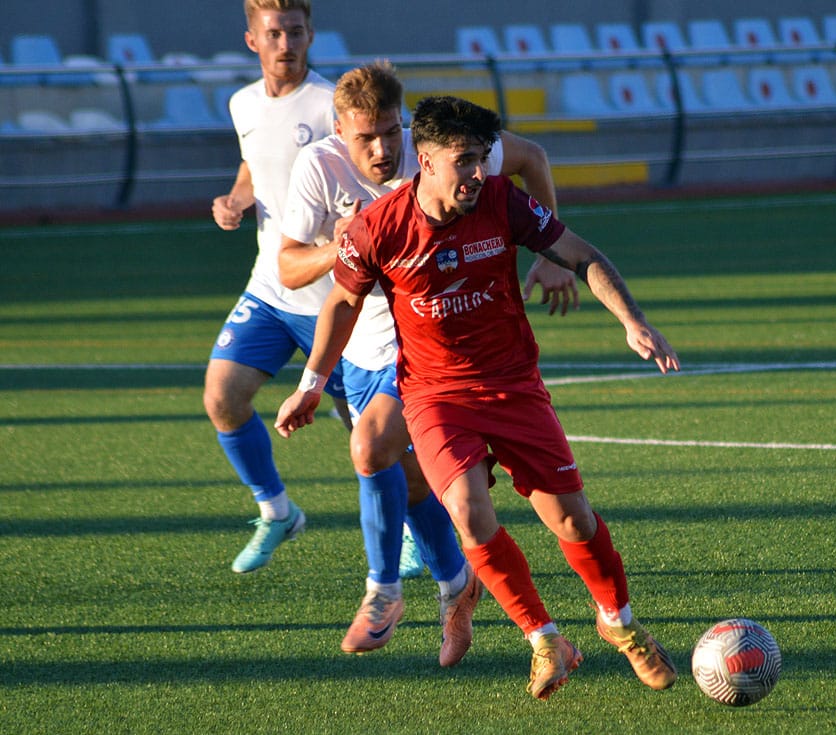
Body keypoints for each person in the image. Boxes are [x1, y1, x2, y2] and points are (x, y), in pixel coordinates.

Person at [274, 95, 679, 700]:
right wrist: (309, 385)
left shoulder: (501, 200)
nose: (476, 173)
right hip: (434, 395)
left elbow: (582, 255)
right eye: (463, 161)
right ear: (425, 160)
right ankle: (544, 639)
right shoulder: (378, 227)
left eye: (482, 159)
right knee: (466, 509)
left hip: (514, 385)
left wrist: (632, 320)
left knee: (572, 519)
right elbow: (342, 302)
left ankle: (619, 624)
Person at [277, 62, 577, 661]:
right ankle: (456, 584)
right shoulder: (319, 167)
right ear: (340, 131)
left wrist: (549, 255)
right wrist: (342, 245)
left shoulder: (445, 154)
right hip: (362, 346)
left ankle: (383, 590)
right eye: (367, 137)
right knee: (411, 479)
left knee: (371, 447)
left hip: (431, 350)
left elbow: (532, 157)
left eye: (392, 132)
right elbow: (288, 267)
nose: (383, 148)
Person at [205, 0, 372, 574]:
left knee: (366, 433)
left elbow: (371, 169)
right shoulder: (242, 103)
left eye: (295, 32)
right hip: (271, 288)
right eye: (274, 33)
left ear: (311, 35)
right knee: (222, 397)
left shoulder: (330, 104)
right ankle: (276, 512)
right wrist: (234, 200)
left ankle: (408, 526)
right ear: (252, 40)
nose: (286, 43)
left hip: (337, 294)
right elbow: (254, 167)